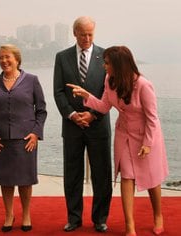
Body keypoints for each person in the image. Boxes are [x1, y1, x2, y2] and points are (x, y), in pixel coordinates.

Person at [68, 46, 169, 236]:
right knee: (127, 177)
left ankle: (158, 215)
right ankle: (129, 226)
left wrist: (148, 144)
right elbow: (104, 107)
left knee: (152, 178)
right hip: (123, 135)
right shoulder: (109, 80)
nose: (104, 66)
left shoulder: (143, 85)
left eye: (107, 63)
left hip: (146, 136)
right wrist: (86, 96)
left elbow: (152, 118)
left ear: (118, 64)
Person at [53, 16, 112, 232]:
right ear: (74, 32)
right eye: (83, 34)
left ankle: (100, 219)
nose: (87, 38)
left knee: (102, 174)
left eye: (90, 34)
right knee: (73, 174)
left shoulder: (106, 57)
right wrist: (71, 115)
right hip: (72, 127)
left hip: (99, 125)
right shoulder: (62, 57)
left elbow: (109, 92)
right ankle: (74, 218)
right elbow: (58, 91)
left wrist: (93, 114)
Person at [0, 44, 47, 232]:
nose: (4, 60)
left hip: (26, 141)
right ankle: (9, 214)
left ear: (17, 59)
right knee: (5, 180)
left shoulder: (32, 80)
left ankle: (26, 214)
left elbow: (41, 110)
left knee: (25, 181)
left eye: (7, 57)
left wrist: (36, 133)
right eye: (0, 57)